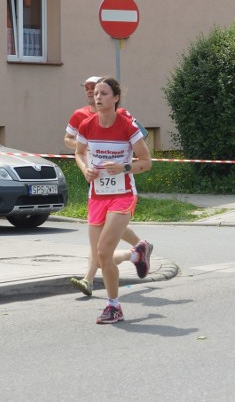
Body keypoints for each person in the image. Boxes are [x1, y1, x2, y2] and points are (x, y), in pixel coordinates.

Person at [74, 77, 152, 324]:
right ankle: (135, 254)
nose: (98, 97)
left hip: (122, 195)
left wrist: (124, 167)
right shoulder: (86, 125)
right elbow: (78, 153)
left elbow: (146, 162)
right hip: (97, 195)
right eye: (96, 93)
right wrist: (85, 169)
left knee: (103, 250)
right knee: (101, 256)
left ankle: (113, 306)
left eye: (104, 93)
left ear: (116, 98)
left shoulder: (128, 127)